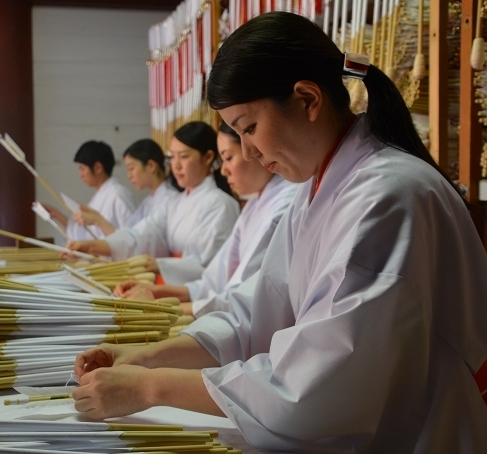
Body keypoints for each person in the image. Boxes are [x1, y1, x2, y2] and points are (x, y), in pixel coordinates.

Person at [71, 12, 487, 452]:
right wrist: (146, 357)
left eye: (249, 128)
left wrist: (149, 388)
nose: (247, 151)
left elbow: (315, 387)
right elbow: (255, 312)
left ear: (308, 99)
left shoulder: (387, 197)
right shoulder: (319, 189)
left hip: (422, 432)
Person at [114, 121, 298, 317]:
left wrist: (163, 304)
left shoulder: (280, 203)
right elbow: (216, 278)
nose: (224, 169)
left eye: (227, 158)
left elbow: (240, 296)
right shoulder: (256, 202)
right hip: (218, 306)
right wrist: (157, 292)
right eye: (172, 157)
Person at [67, 121, 240, 285]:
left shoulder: (220, 204)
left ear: (208, 157)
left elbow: (209, 266)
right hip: (170, 282)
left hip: (192, 291)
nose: (176, 165)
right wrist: (93, 246)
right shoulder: (175, 203)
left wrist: (161, 265)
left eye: (184, 157)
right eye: (172, 157)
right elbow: (141, 234)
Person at [68, 139, 180, 236]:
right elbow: (129, 234)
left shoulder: (169, 199)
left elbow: (135, 241)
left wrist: (98, 220)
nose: (129, 176)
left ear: (151, 166)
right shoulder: (149, 201)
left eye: (131, 168)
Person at [43, 140, 136, 240]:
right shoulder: (100, 196)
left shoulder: (118, 194)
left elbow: (131, 237)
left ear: (98, 168)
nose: (81, 175)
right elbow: (87, 234)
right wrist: (56, 214)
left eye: (82, 169)